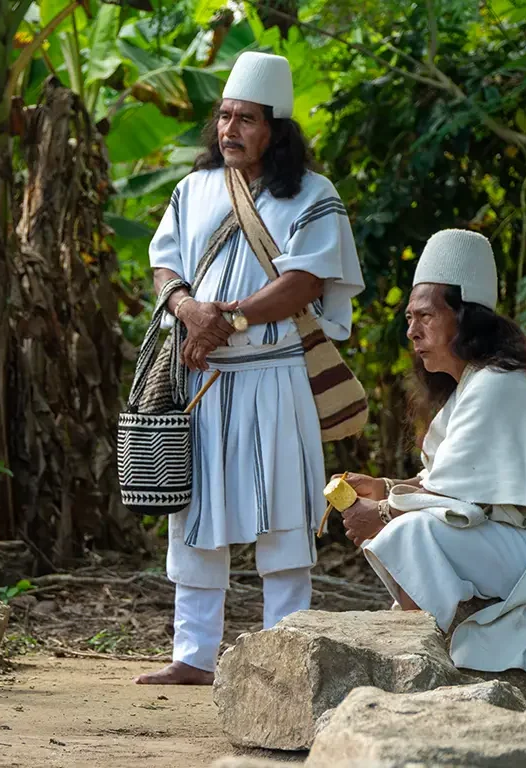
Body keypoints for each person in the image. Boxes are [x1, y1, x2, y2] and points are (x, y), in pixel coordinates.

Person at [136, 52, 364, 685]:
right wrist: (187, 309)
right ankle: (193, 655)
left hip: (276, 376)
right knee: (195, 510)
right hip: (201, 378)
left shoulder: (315, 197)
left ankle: (284, 656)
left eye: (246, 119)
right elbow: (164, 264)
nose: (229, 129)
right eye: (224, 116)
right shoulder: (193, 188)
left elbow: (303, 283)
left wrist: (226, 320)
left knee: (284, 513)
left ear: (276, 129)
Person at [339, 229, 526, 674]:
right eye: (409, 319)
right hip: (521, 548)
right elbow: (448, 489)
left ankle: (421, 662)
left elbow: (453, 504)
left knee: (410, 533)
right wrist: (383, 487)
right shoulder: (476, 384)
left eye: (425, 317)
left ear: (467, 317)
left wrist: (380, 513)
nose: (412, 332)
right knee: (411, 528)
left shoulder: (497, 386)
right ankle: (428, 643)